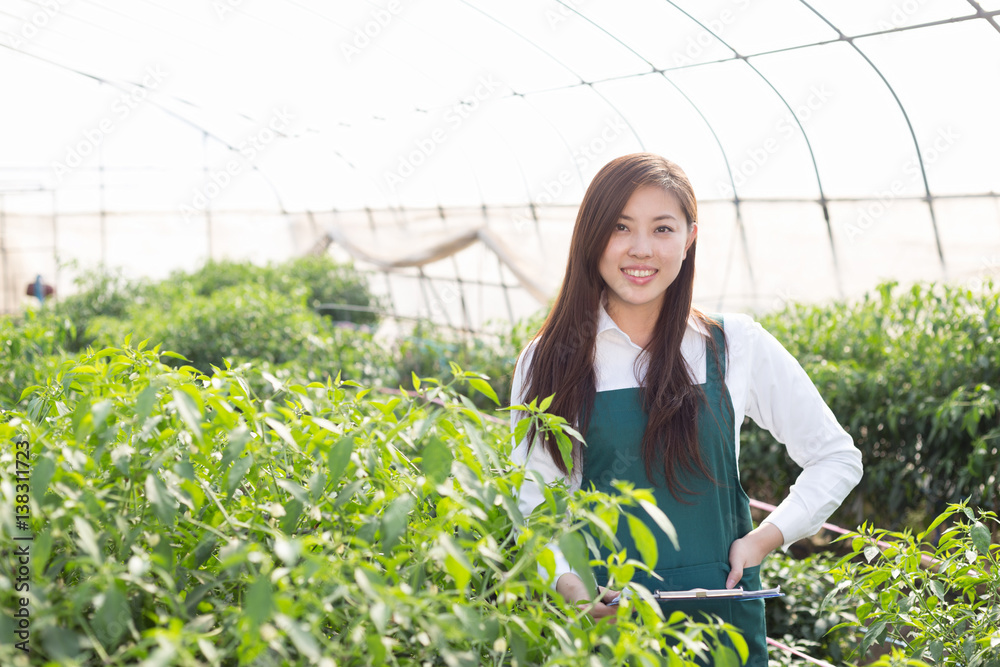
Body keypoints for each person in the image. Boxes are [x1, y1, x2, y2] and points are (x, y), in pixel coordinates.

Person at [508, 153, 863, 665]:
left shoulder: (732, 344)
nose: (641, 249)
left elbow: (835, 456)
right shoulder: (548, 361)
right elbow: (533, 505)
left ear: (689, 238)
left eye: (662, 228)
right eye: (620, 227)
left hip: (724, 629)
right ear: (591, 236)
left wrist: (765, 539)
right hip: (610, 629)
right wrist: (574, 591)